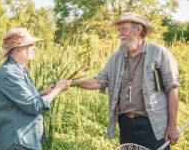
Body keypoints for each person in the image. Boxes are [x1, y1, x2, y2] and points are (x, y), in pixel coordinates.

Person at [71, 13, 180, 150]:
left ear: (138, 29)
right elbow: (99, 81)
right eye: (119, 30)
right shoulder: (117, 57)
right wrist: (72, 82)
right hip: (126, 124)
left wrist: (172, 126)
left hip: (153, 124)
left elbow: (172, 89)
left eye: (124, 29)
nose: (120, 34)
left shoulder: (159, 53)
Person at [0, 28, 71, 150]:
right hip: (18, 142)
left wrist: (43, 94)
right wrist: (58, 89)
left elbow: (21, 101)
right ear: (18, 48)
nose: (34, 47)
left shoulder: (18, 71)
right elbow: (34, 106)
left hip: (24, 141)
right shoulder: (9, 74)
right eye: (30, 44)